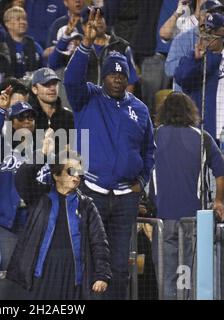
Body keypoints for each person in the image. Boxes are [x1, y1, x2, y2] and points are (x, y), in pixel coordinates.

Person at [64, 9, 155, 299]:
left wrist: (142, 179)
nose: (117, 78)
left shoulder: (139, 109)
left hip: (126, 197)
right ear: (104, 77)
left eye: (122, 74)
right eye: (112, 73)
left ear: (127, 78)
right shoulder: (87, 97)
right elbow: (71, 81)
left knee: (119, 264)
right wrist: (85, 46)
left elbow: (149, 149)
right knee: (92, 261)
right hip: (92, 192)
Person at [6, 148, 111, 300]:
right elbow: (22, 178)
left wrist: (102, 274)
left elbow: (99, 242)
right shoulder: (40, 196)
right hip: (41, 271)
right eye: (71, 171)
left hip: (73, 274)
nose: (76, 176)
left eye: (79, 172)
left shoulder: (86, 205)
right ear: (56, 175)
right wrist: (42, 154)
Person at [152, 91, 224, 299]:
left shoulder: (154, 136)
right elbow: (222, 172)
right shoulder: (202, 137)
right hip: (194, 222)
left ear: (164, 112)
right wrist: (219, 201)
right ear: (189, 111)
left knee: (167, 278)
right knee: (189, 277)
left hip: (162, 219)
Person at [0, 89, 37, 271]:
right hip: (2, 221)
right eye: (21, 118)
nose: (27, 122)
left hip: (29, 220)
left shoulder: (41, 150)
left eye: (30, 118)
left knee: (28, 273)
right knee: (3, 271)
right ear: (12, 123)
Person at [174, 12, 224, 139]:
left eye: (212, 30)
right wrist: (196, 59)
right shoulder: (194, 57)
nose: (208, 35)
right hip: (207, 131)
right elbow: (182, 79)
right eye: (206, 30)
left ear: (223, 32)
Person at [165, 0, 224, 91]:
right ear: (201, 16)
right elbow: (169, 69)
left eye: (218, 14)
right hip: (188, 95)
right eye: (211, 14)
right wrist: (193, 59)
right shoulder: (182, 39)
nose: (215, 17)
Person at [29, 67, 74, 152]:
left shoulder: (69, 117)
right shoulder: (28, 117)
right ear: (35, 89)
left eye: (54, 84)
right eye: (46, 84)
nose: (52, 88)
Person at [3, 6, 43, 79]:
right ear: (7, 23)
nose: (23, 22)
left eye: (24, 19)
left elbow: (44, 69)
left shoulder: (34, 45)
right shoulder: (2, 46)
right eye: (18, 19)